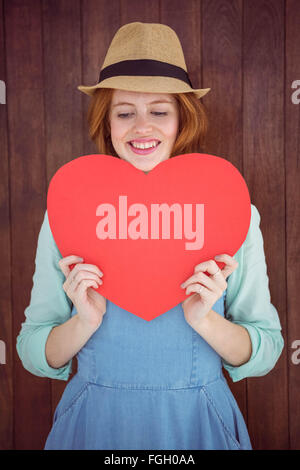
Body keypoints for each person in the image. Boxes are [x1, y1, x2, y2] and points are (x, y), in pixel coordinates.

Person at [16, 22, 284, 450]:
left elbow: (265, 351)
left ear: (182, 120)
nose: (142, 127)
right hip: (94, 422)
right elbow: (34, 350)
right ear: (107, 122)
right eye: (125, 113)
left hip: (197, 422)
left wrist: (205, 319)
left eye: (159, 111)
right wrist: (84, 322)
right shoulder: (66, 213)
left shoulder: (233, 211)